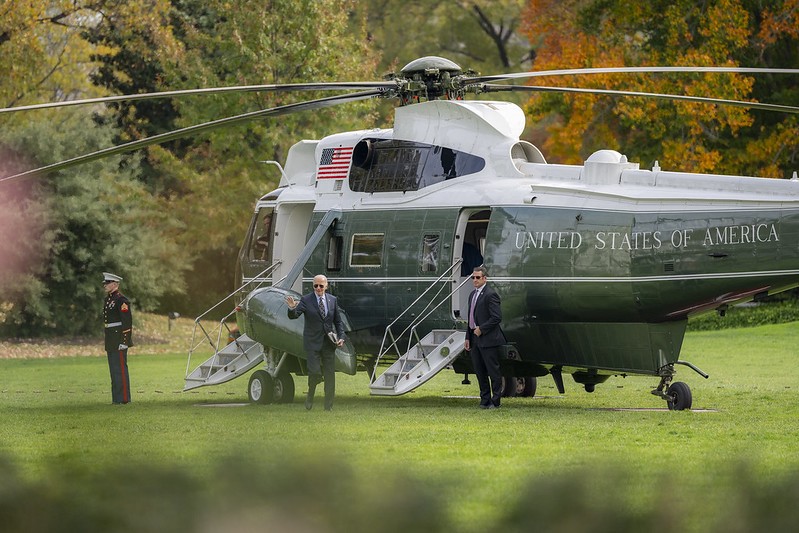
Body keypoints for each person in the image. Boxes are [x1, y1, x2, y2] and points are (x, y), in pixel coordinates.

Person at [285, 274, 346, 411]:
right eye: (315, 286)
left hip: (329, 343)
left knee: (330, 375)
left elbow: (338, 322)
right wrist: (291, 308)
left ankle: (328, 407)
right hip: (312, 343)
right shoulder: (306, 300)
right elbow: (295, 315)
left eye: (321, 286)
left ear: (326, 286)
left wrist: (341, 337)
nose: (318, 288)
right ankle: (310, 395)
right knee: (315, 373)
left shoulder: (332, 300)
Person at [464, 265, 506, 409]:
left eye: (477, 277)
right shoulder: (472, 295)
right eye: (473, 278)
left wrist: (481, 329)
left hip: (488, 339)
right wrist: (467, 337)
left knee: (493, 371)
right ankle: (484, 400)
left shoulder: (490, 294)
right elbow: (470, 318)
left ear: (485, 279)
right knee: (479, 371)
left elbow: (496, 318)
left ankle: (495, 401)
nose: (475, 280)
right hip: (474, 339)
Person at [102, 272, 133, 404]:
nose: (105, 285)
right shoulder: (108, 299)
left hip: (119, 338)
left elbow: (126, 322)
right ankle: (116, 398)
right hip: (111, 338)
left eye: (107, 283)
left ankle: (124, 398)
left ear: (115, 284)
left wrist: (124, 341)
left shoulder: (121, 300)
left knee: (120, 369)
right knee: (114, 370)